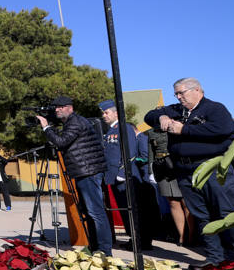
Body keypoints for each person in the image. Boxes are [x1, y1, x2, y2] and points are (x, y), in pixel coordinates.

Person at [144, 78, 234, 267]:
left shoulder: (215, 109)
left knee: (229, 214)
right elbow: (149, 115)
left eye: (181, 93)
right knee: (201, 216)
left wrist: (185, 129)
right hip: (185, 171)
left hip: (214, 169)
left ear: (197, 90)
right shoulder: (177, 110)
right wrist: (161, 117)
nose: (178, 97)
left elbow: (222, 130)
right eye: (176, 94)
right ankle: (214, 259)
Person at [38, 96, 111, 252]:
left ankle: (105, 251)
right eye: (55, 107)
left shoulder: (75, 122)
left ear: (69, 108)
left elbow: (61, 141)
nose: (57, 109)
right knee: (89, 213)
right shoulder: (72, 122)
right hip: (84, 170)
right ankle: (95, 248)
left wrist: (46, 128)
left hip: (88, 171)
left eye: (60, 107)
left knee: (96, 212)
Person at [100, 99, 160, 251]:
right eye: (103, 113)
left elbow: (131, 152)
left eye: (106, 112)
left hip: (125, 177)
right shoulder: (111, 131)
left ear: (115, 113)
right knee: (126, 211)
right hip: (114, 177)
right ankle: (134, 239)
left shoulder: (124, 128)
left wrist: (122, 172)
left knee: (134, 210)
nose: (104, 116)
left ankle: (142, 241)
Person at [148, 126, 188, 244]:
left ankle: (191, 235)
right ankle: (182, 236)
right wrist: (151, 171)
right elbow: (151, 152)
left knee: (186, 202)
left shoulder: (177, 127)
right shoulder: (152, 132)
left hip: (178, 166)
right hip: (162, 168)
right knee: (173, 202)